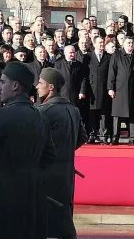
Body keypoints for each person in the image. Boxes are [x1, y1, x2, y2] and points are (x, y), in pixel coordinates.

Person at [0, 61, 55, 239]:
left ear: (15, 85)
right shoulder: (40, 118)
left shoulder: (0, 116)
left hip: (0, 198)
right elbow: (49, 156)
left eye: (2, 82)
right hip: (32, 198)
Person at [36, 68, 87, 239]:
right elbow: (82, 137)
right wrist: (66, 150)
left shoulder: (44, 111)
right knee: (64, 212)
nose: (37, 86)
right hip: (67, 172)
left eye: (40, 83)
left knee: (46, 218)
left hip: (47, 172)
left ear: (50, 87)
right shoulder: (73, 110)